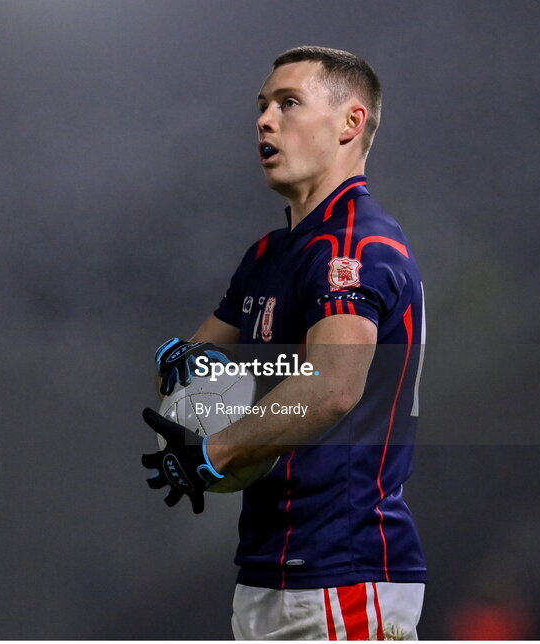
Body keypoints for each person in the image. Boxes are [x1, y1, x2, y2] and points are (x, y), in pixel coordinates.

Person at [141, 46, 427, 640]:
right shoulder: (269, 255)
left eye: (288, 103)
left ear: (351, 123)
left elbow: (331, 388)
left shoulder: (354, 244)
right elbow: (195, 368)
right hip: (270, 569)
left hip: (343, 575)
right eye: (263, 106)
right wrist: (177, 367)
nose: (265, 120)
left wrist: (214, 454)